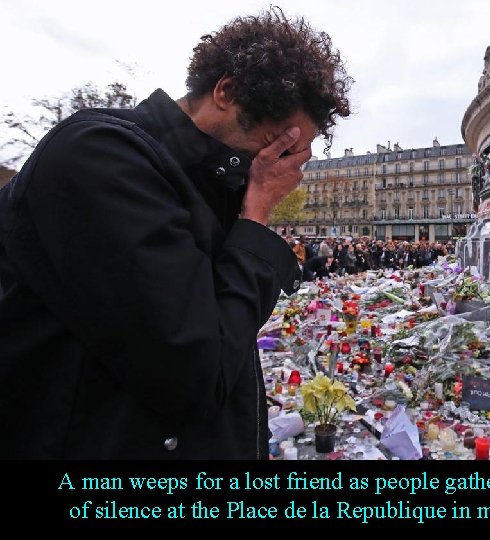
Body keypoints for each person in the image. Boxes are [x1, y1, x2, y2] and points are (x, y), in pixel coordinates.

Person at [0, 7, 352, 459]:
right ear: (227, 91)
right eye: (275, 143)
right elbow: (196, 372)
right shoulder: (100, 157)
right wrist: (257, 213)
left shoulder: (211, 184)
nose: (277, 164)